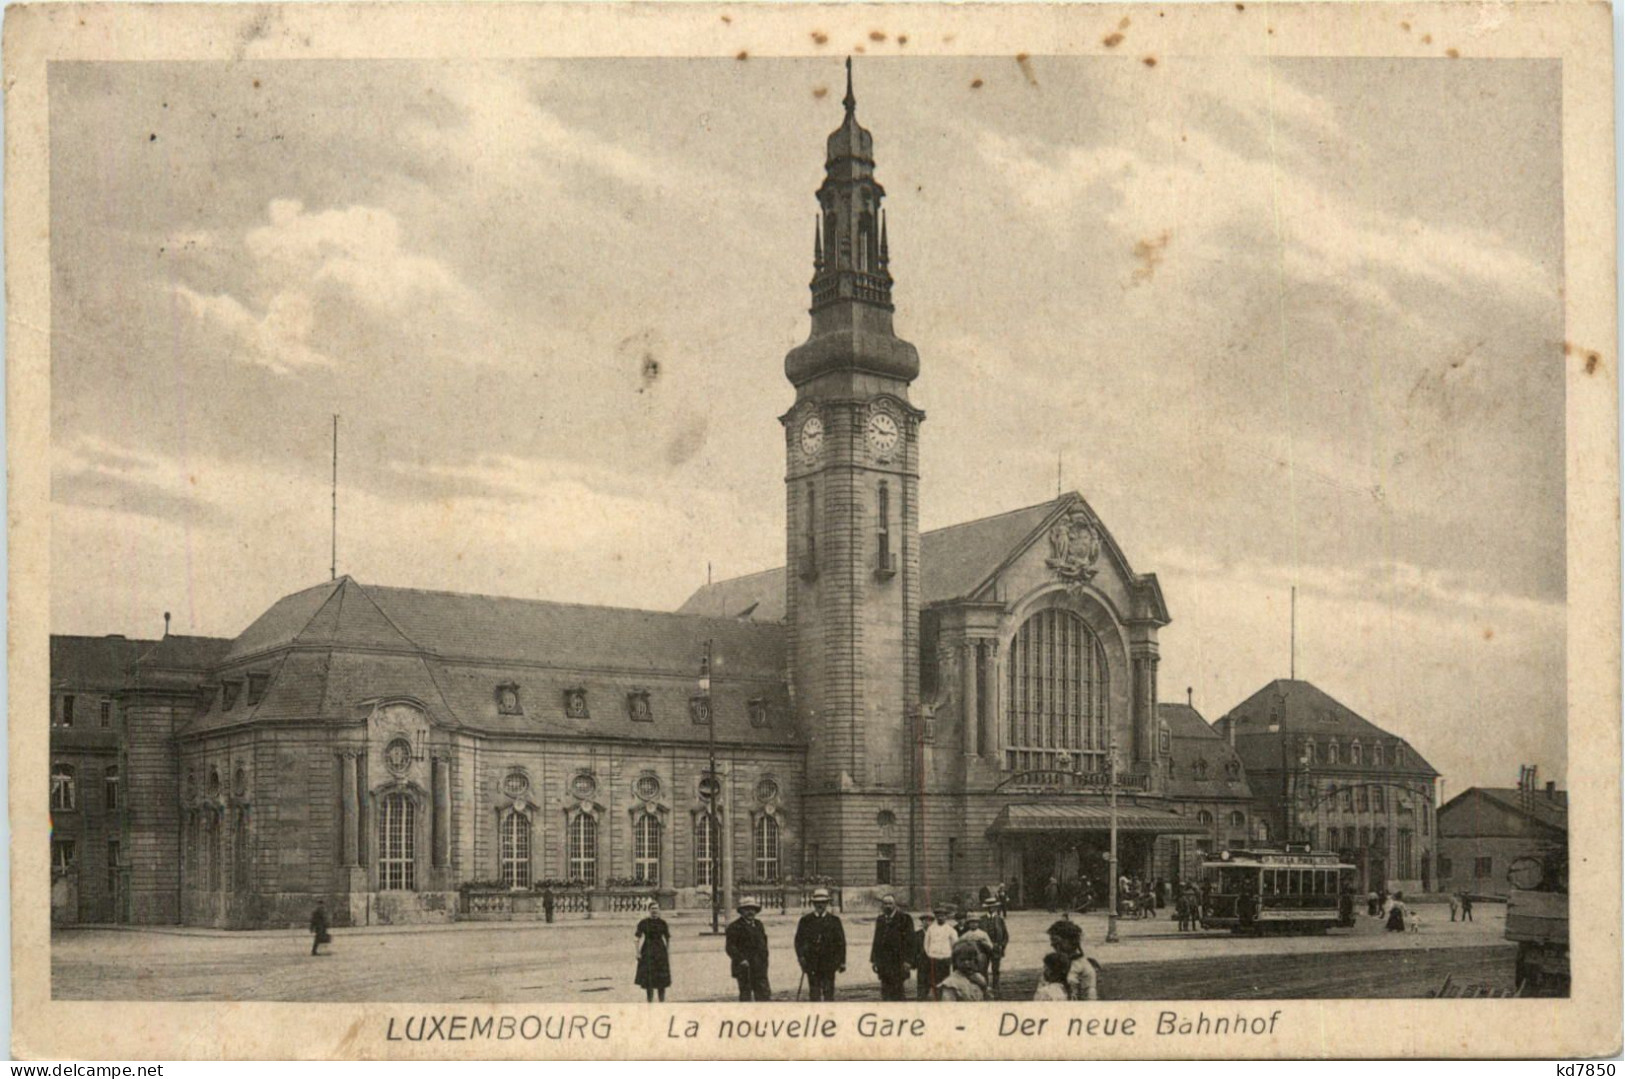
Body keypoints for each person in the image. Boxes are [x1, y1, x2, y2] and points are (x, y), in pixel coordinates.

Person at [794, 887, 846, 1002]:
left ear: (827, 903)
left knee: (828, 993)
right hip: (812, 963)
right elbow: (799, 941)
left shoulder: (834, 921)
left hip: (829, 963)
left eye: (823, 902)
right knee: (814, 993)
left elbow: (841, 943)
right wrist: (801, 957)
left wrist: (842, 962)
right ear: (813, 904)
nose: (820, 905)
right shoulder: (806, 921)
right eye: (817, 903)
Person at [726, 896, 772, 1001]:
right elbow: (730, 947)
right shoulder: (735, 927)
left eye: (753, 909)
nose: (750, 912)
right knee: (745, 995)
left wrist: (764, 958)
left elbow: (763, 943)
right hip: (744, 968)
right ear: (741, 911)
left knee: (763, 995)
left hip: (759, 966)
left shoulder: (759, 925)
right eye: (747, 909)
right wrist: (741, 959)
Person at [870, 893, 913, 1001]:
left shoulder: (905, 918)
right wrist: (875, 960)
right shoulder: (880, 920)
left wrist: (908, 961)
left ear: (895, 905)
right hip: (884, 963)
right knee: (885, 991)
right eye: (885, 904)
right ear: (882, 906)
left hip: (899, 962)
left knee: (898, 992)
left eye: (890, 903)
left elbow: (911, 941)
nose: (887, 906)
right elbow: (877, 940)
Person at [1047, 919, 1098, 1000]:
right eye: (1052, 941)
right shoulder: (1053, 962)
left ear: (1070, 941)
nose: (1052, 944)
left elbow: (1090, 998)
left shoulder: (1084, 968)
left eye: (1056, 941)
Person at [634, 900, 672, 1002]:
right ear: (649, 910)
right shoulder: (643, 923)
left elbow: (667, 938)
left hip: (660, 951)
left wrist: (667, 951)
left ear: (659, 910)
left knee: (661, 980)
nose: (654, 911)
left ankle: (662, 1002)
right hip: (648, 951)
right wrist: (637, 952)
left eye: (656, 909)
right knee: (649, 980)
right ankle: (649, 1002)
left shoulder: (663, 923)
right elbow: (636, 938)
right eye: (652, 909)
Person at [921, 903, 959, 1000]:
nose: (940, 917)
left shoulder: (950, 930)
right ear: (936, 917)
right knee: (933, 980)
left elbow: (955, 945)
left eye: (942, 916)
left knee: (945, 980)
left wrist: (950, 956)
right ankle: (935, 997)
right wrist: (930, 954)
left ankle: (944, 997)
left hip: (945, 959)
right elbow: (926, 943)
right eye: (938, 916)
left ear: (946, 917)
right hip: (933, 959)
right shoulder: (931, 929)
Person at [981, 898, 1010, 997]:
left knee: (996, 969)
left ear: (995, 908)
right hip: (984, 949)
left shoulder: (999, 919)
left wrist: (1002, 946)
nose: (991, 909)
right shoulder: (982, 920)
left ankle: (996, 988)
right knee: (983, 968)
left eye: (993, 907)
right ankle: (984, 988)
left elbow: (1005, 935)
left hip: (996, 948)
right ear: (986, 908)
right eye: (989, 907)